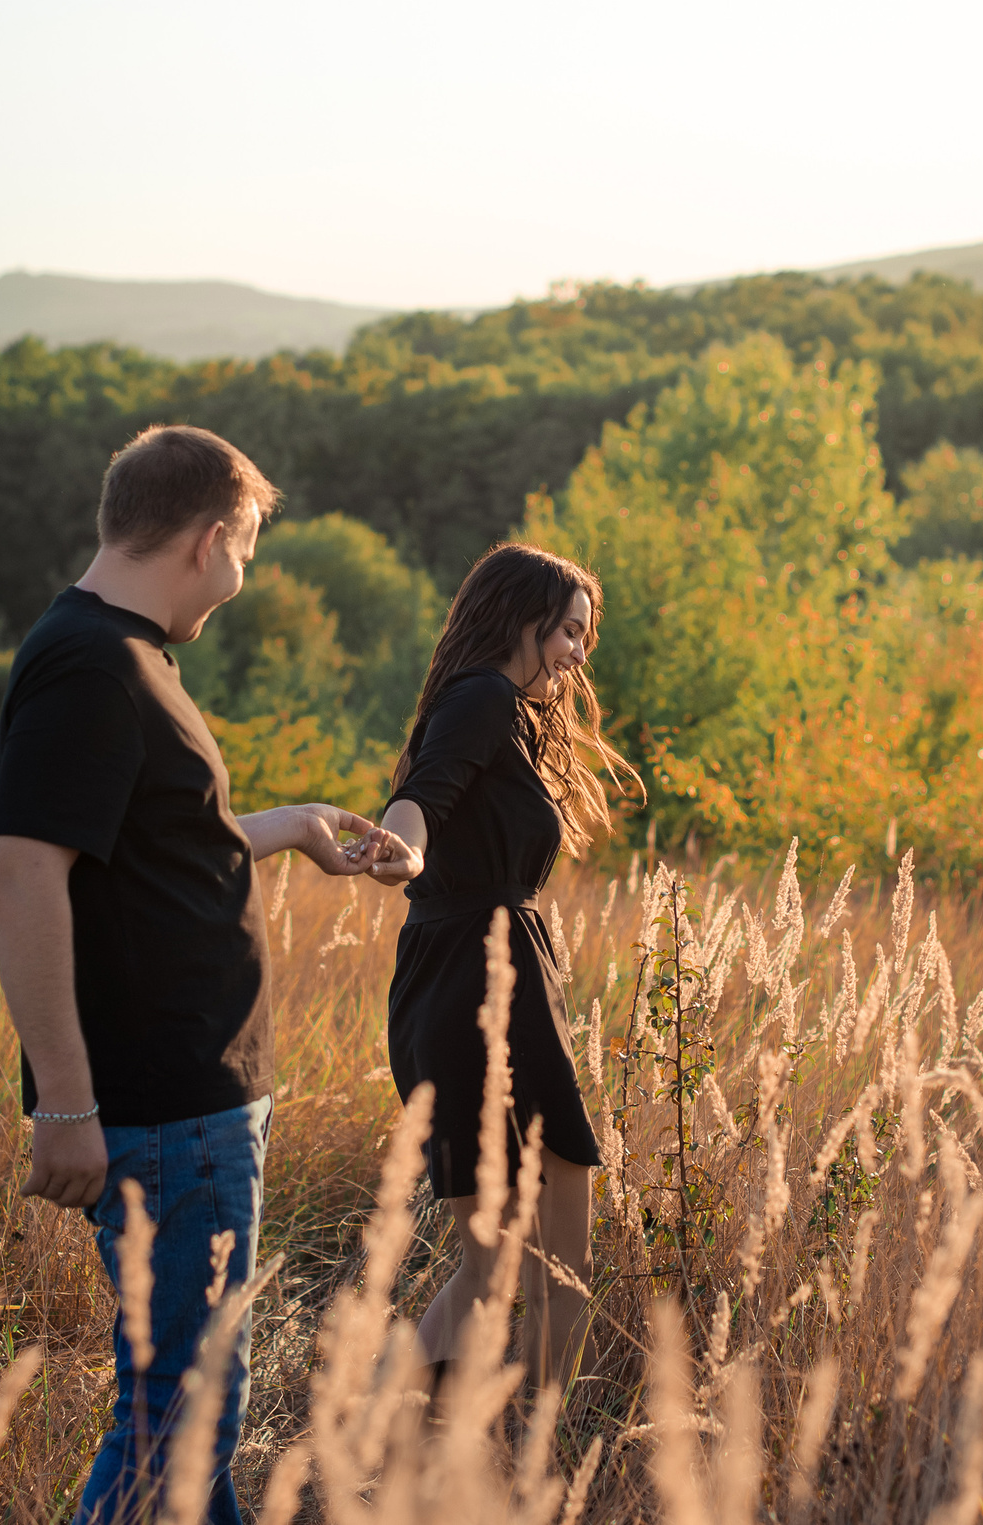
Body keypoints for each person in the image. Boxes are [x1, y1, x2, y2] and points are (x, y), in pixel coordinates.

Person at [0, 424, 408, 1525]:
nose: (243, 577)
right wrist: (67, 1100)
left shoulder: (123, 657)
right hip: (161, 1109)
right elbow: (20, 873)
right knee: (179, 1418)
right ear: (211, 536)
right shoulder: (94, 664)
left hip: (193, 1103)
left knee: (191, 1415)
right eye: (249, 549)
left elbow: (162, 838)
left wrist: (295, 825)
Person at [368, 542, 639, 1390]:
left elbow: (431, 791)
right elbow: (422, 798)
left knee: (497, 1262)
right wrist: (399, 847)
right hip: (484, 973)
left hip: (467, 971)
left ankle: (392, 1439)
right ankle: (542, 1465)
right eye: (567, 630)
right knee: (554, 1261)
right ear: (518, 619)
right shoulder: (483, 697)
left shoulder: (495, 710)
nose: (577, 652)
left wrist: (408, 846)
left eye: (584, 636)